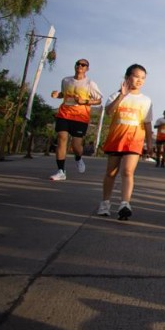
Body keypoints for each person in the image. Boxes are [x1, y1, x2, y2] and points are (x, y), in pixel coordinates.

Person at [97, 65, 153, 221]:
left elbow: (147, 123)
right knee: (111, 172)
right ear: (127, 77)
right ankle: (105, 203)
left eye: (143, 77)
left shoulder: (146, 100)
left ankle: (125, 204)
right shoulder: (116, 95)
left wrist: (149, 143)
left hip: (134, 141)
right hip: (116, 139)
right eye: (136, 76)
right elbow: (108, 112)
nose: (139, 80)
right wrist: (121, 96)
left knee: (128, 171)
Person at [48, 58, 102, 181]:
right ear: (75, 66)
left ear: (87, 69)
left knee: (76, 146)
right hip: (64, 114)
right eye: (78, 64)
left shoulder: (90, 84)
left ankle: (78, 157)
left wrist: (85, 101)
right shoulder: (66, 80)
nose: (80, 66)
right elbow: (64, 94)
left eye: (84, 65)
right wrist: (57, 95)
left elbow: (99, 100)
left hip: (80, 117)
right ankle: (61, 171)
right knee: (62, 138)